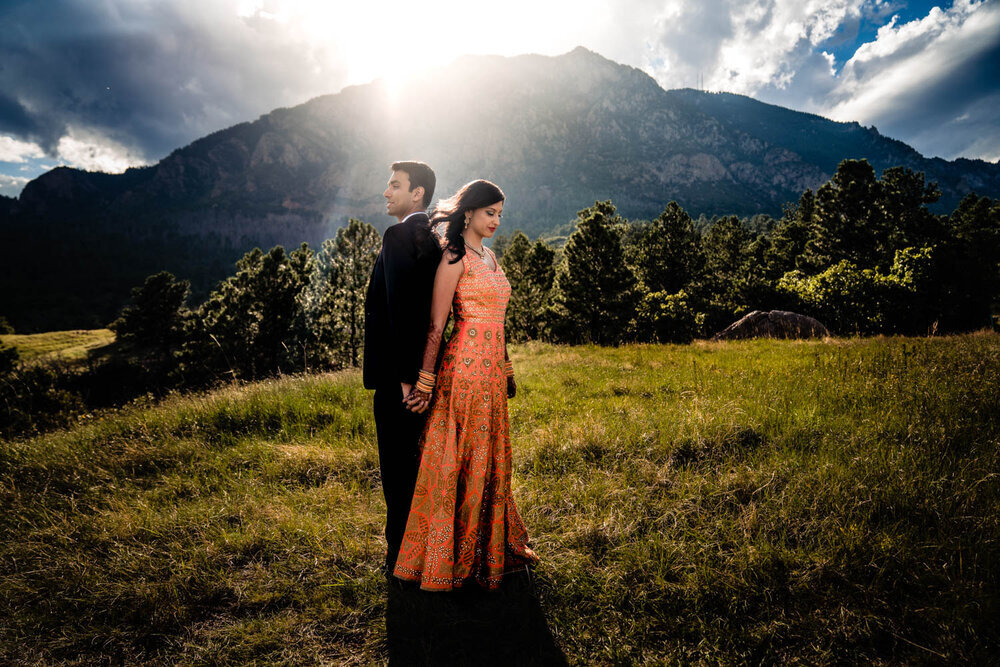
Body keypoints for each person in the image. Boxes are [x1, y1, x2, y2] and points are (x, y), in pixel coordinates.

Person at [392, 179, 538, 592]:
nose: (495, 221)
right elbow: (437, 326)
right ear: (469, 212)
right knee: (458, 462)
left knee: (488, 461)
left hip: (491, 377)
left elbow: (500, 324)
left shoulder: (491, 258)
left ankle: (485, 550)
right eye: (489, 212)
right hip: (462, 377)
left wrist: (508, 371)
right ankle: (447, 557)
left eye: (499, 215)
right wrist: (424, 380)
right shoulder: (455, 257)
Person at [363, 160, 442, 575]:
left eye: (394, 185)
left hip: (400, 382)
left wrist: (407, 382)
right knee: (417, 467)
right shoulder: (430, 237)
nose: (385, 192)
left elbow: (402, 314)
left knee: (396, 471)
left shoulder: (397, 236)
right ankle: (423, 550)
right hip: (422, 376)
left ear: (418, 194)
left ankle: (401, 558)